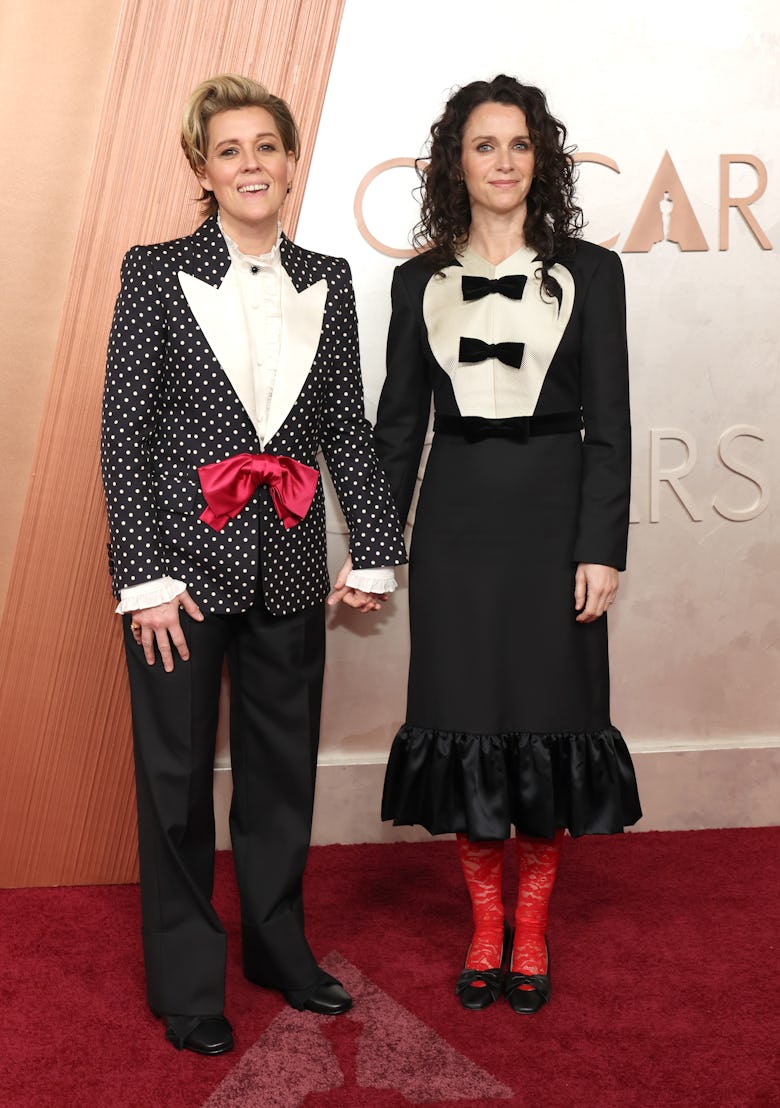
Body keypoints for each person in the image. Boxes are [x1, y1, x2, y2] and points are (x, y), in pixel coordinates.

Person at [101, 74, 406, 1054]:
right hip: (177, 581)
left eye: (265, 146)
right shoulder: (153, 271)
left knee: (281, 775)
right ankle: (189, 980)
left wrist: (378, 551)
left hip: (286, 567)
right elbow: (125, 434)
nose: (250, 165)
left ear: (289, 158)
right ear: (203, 167)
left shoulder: (328, 277)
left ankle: (278, 943)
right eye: (229, 150)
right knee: (177, 777)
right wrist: (142, 573)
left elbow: (348, 434)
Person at [374, 74, 641, 1014]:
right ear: (458, 160)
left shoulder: (593, 271)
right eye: (484, 145)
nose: (502, 162)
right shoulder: (417, 280)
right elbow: (398, 431)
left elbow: (611, 422)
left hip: (553, 517)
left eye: (519, 144)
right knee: (467, 719)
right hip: (453, 523)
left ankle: (530, 932)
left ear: (542, 159)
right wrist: (375, 548)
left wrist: (600, 546)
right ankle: (484, 928)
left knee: (549, 716)